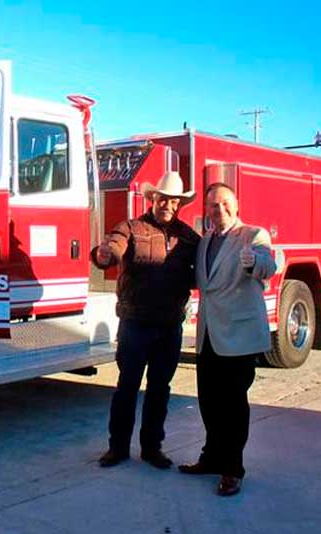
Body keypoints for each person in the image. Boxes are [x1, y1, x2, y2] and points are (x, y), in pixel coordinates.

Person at [93, 172, 200, 469]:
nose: (167, 204)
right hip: (134, 324)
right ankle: (117, 448)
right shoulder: (130, 228)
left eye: (173, 200)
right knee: (127, 386)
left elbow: (207, 266)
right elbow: (112, 247)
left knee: (159, 389)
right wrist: (104, 254)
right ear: (153, 199)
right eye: (162, 198)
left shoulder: (190, 238)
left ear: (179, 204)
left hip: (169, 327)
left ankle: (152, 448)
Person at [178, 182, 277, 496]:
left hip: (239, 334)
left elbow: (268, 264)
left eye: (223, 203)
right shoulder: (206, 240)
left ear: (236, 205)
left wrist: (254, 264)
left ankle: (233, 469)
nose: (218, 209)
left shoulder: (252, 235)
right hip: (209, 332)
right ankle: (211, 458)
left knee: (233, 405)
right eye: (212, 205)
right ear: (206, 211)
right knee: (209, 401)